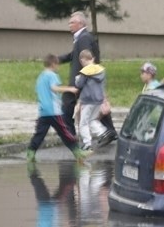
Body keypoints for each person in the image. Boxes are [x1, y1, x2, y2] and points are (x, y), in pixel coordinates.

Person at [58, 11, 118, 142]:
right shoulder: (82, 38)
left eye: (72, 22)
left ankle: (70, 135)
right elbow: (74, 55)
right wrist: (58, 59)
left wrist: (83, 80)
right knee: (95, 104)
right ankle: (110, 131)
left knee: (67, 105)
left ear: (80, 23)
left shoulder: (84, 38)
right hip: (84, 80)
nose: (69, 25)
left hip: (82, 80)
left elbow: (86, 60)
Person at [26, 54, 89, 163]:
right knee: (65, 133)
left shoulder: (40, 77)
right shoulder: (52, 75)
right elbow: (54, 88)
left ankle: (31, 152)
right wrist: (70, 89)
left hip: (43, 111)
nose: (58, 67)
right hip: (54, 111)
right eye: (58, 65)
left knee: (39, 134)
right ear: (53, 64)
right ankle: (78, 152)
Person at [75, 49, 115, 150]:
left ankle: (87, 143)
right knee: (92, 120)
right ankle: (103, 132)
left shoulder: (86, 71)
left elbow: (79, 84)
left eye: (81, 62)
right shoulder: (101, 70)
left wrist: (77, 79)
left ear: (82, 60)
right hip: (98, 100)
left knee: (83, 123)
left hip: (88, 100)